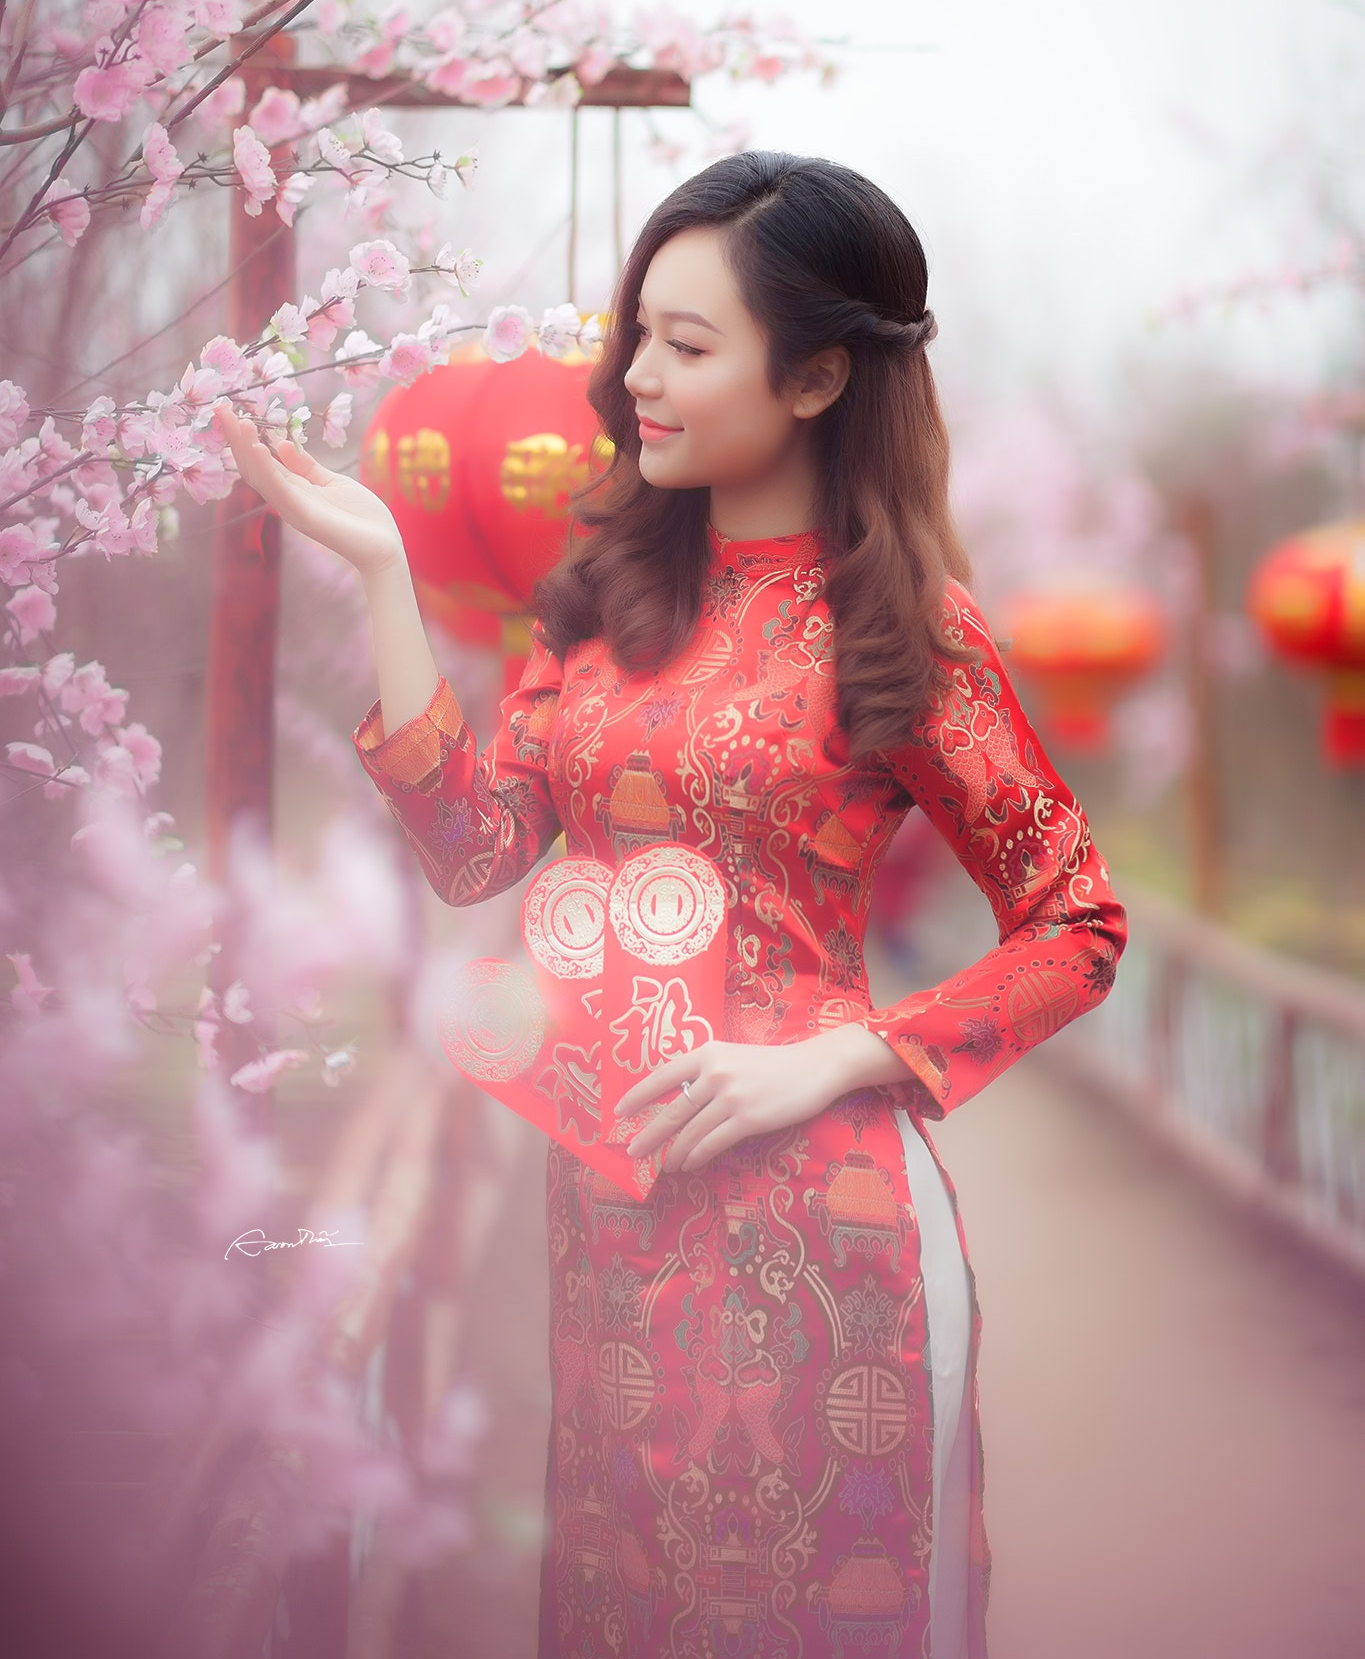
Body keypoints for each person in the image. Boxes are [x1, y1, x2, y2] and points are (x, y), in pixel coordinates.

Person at [215, 150, 1126, 1659]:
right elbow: (471, 847)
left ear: (821, 375)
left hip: (831, 1238)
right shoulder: (603, 598)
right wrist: (383, 574)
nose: (633, 373)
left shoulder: (902, 629)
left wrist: (833, 1056)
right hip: (620, 1234)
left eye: (685, 345)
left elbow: (1076, 923)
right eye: (637, 331)